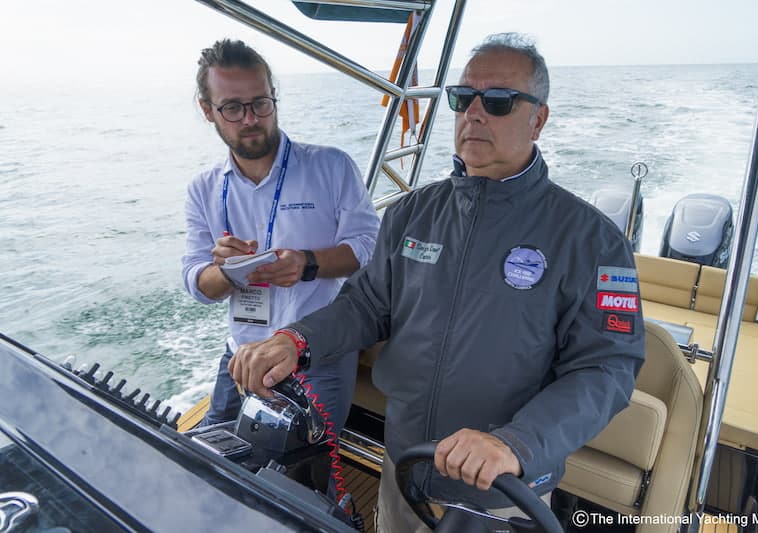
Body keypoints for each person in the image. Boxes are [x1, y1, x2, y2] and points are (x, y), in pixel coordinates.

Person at [228, 32, 645, 530]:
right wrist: (296, 339)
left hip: (501, 490)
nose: (474, 114)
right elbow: (366, 305)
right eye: (463, 98)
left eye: (498, 101)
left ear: (538, 119)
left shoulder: (592, 240)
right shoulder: (412, 213)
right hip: (404, 470)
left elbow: (606, 368)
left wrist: (517, 444)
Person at [181, 39, 380, 441]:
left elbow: (370, 248)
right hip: (241, 355)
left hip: (317, 353)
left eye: (261, 103)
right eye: (232, 108)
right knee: (206, 455)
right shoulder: (203, 189)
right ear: (207, 110)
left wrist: (308, 263)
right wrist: (226, 272)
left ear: (274, 97)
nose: (250, 118)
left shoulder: (331, 166)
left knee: (302, 464)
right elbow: (197, 283)